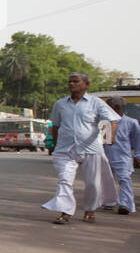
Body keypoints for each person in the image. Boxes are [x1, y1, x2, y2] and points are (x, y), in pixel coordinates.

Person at [42, 72, 119, 224]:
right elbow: (56, 126)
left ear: (86, 84)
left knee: (93, 183)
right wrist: (55, 146)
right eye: (70, 81)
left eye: (76, 81)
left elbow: (111, 120)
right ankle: (66, 212)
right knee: (64, 180)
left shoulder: (96, 103)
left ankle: (90, 210)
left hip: (91, 149)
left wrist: (110, 137)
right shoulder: (60, 104)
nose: (72, 84)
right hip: (66, 150)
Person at [101, 97, 140, 214]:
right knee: (106, 180)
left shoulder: (131, 122)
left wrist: (138, 155)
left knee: (124, 179)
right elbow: (101, 141)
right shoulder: (104, 123)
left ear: (117, 108)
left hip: (123, 157)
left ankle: (124, 204)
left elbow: (138, 140)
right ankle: (109, 202)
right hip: (106, 156)